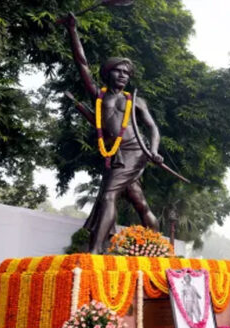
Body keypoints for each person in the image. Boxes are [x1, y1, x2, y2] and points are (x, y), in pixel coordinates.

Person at [63, 13, 164, 254]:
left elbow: (152, 128)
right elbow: (82, 63)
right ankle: (159, 248)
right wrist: (72, 30)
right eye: (118, 71)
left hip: (135, 150)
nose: (122, 75)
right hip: (115, 153)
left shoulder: (136, 101)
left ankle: (95, 251)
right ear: (108, 74)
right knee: (139, 202)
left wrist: (155, 150)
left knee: (108, 196)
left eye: (126, 73)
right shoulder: (99, 95)